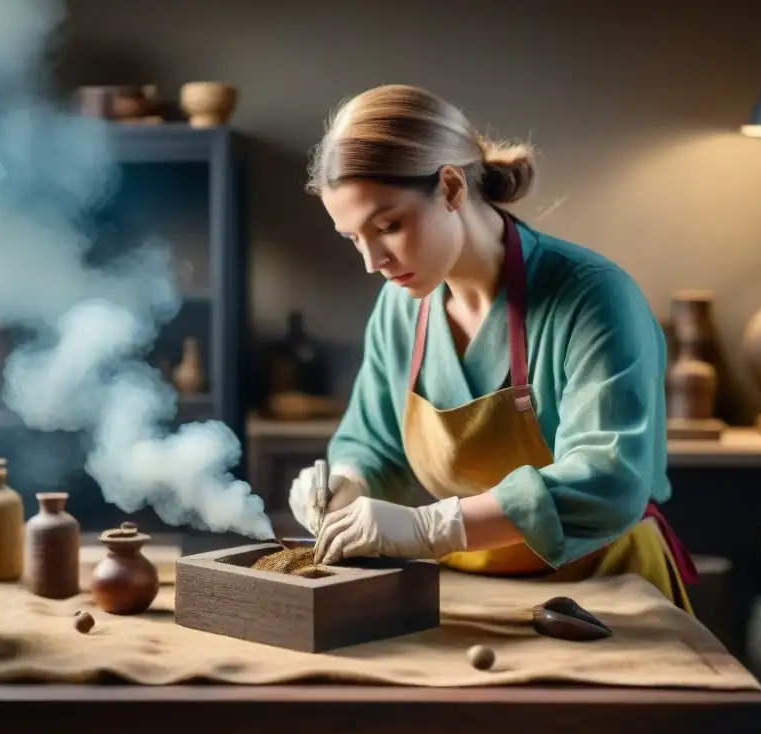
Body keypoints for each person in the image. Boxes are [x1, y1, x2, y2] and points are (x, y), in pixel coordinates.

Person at [288, 84, 697, 612]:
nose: (373, 261)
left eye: (387, 226)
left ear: (453, 187)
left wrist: (431, 526)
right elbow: (375, 443)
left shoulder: (593, 297)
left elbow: (609, 477)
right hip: (468, 594)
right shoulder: (400, 309)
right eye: (353, 238)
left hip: (606, 589)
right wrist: (348, 482)